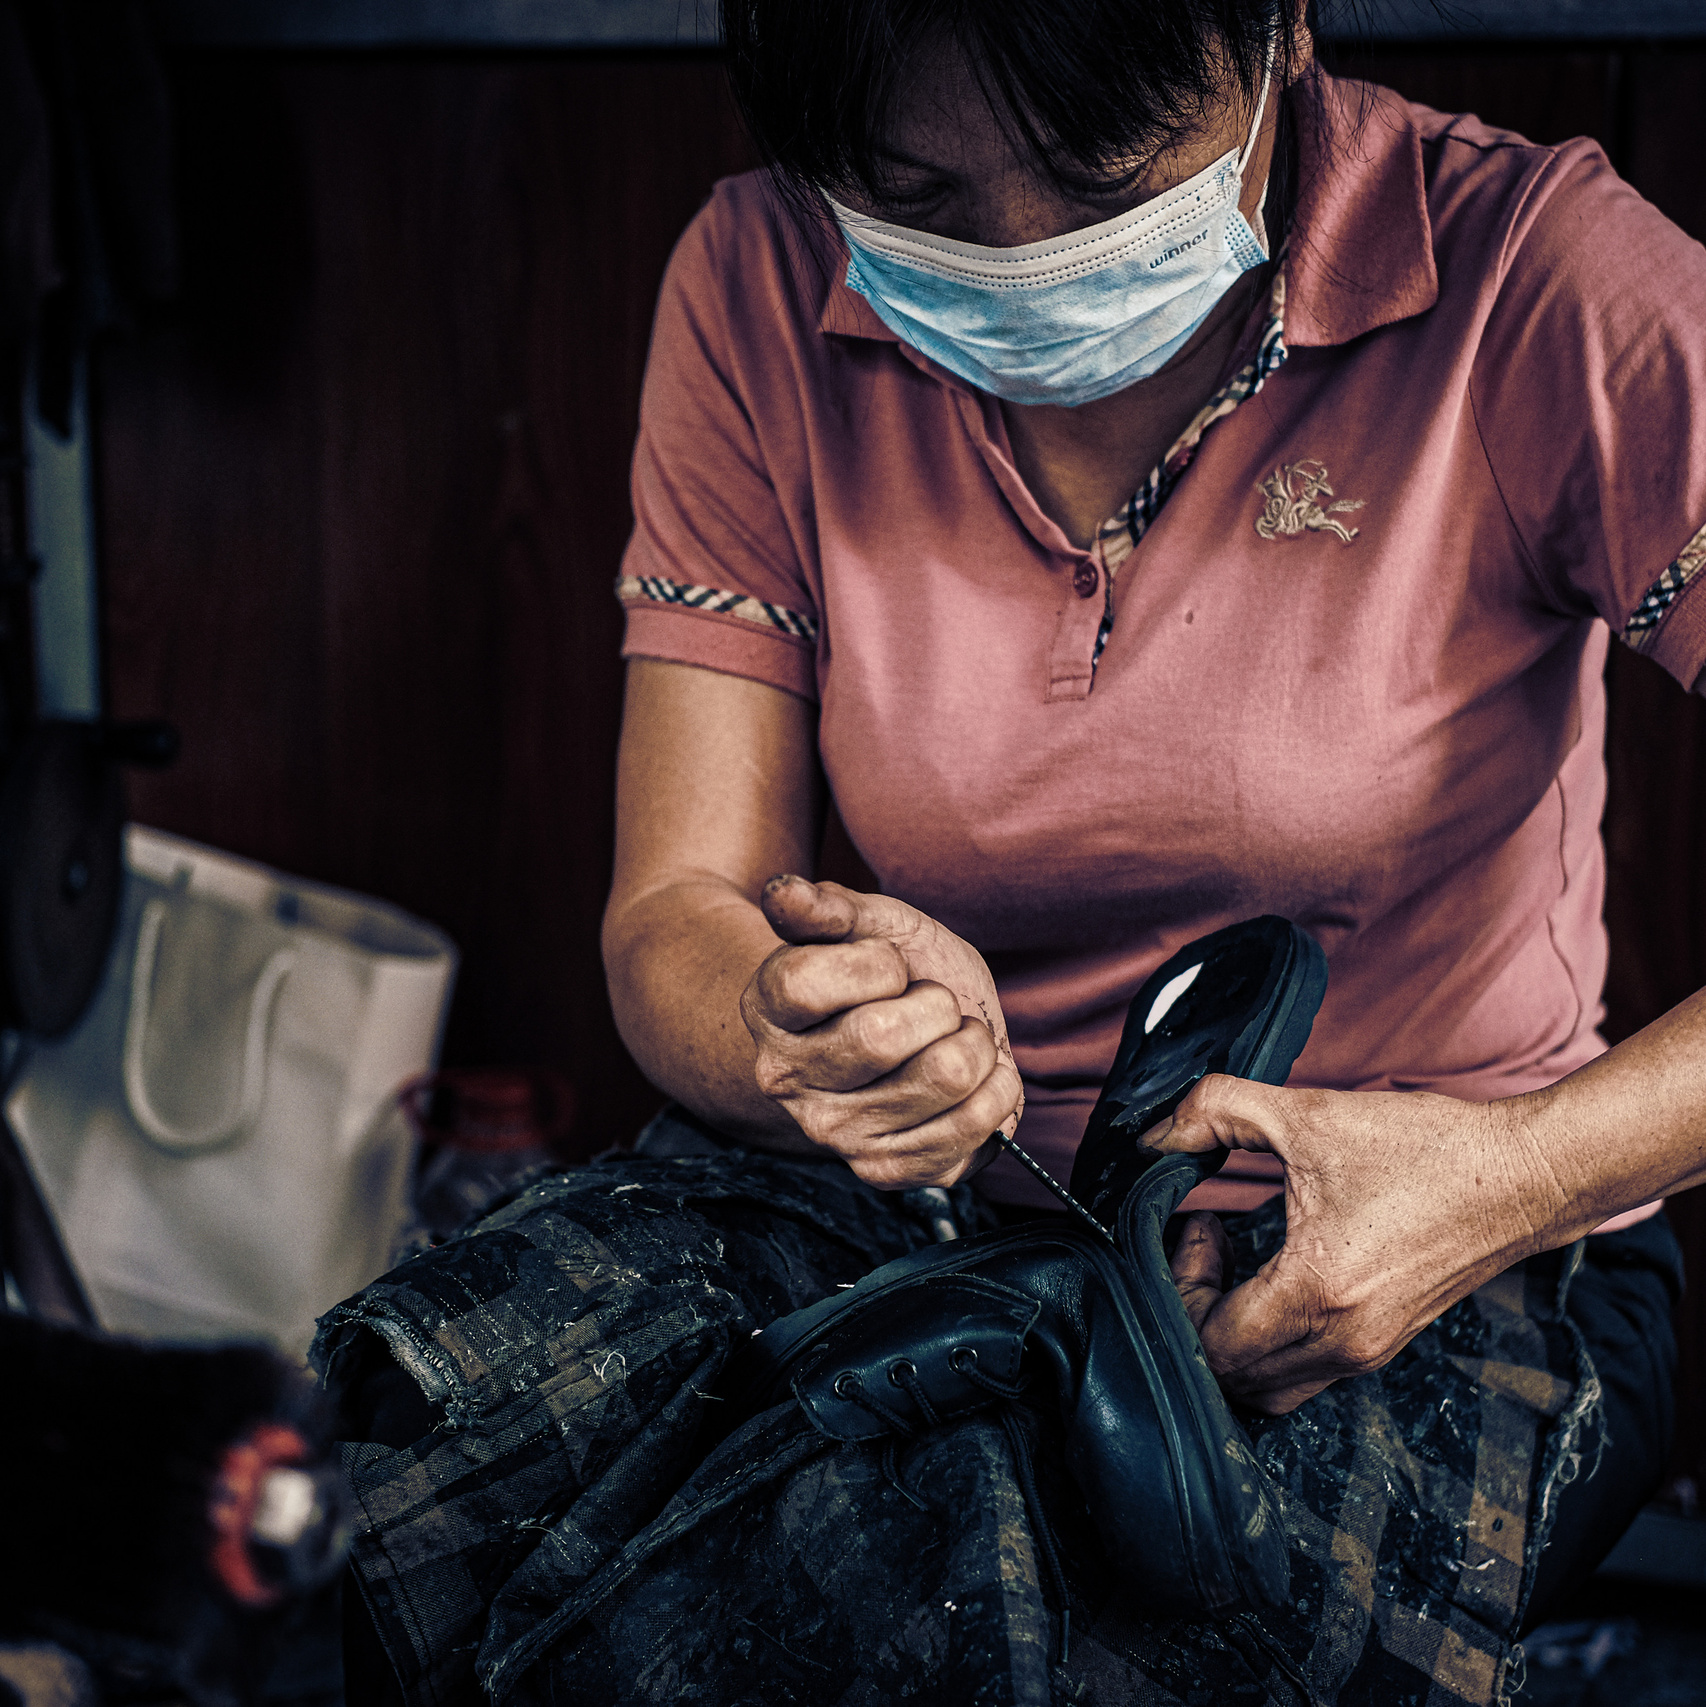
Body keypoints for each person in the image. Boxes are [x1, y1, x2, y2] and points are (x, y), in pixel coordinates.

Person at [322, 3, 1703, 1702]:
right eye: (917, 196)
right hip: (912, 1205)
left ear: (1277, 28)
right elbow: (678, 908)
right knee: (457, 1464)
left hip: (1458, 1235)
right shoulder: (758, 275)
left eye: (1101, 180)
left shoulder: (1531, 277)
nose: (1026, 263)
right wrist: (800, 1032)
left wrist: (1516, 1175)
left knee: (1046, 1623)